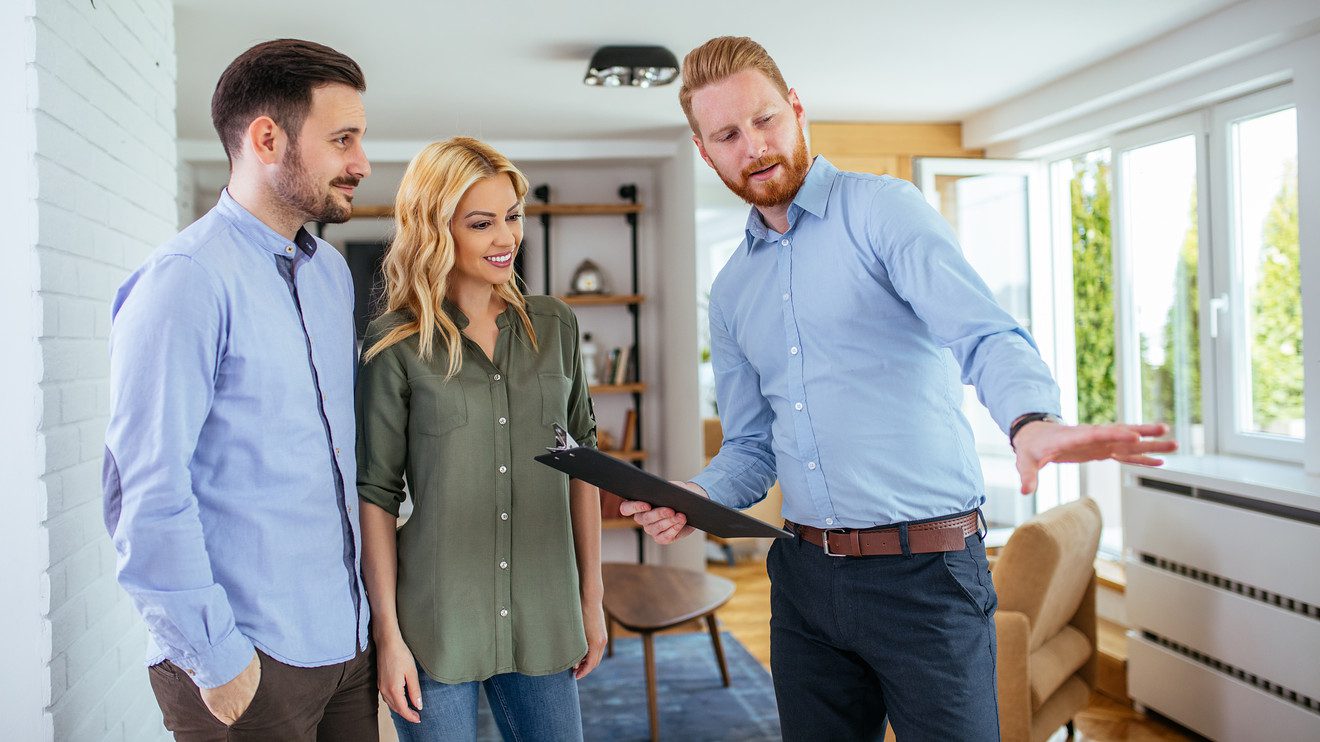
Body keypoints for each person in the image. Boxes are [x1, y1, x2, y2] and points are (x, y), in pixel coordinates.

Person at [620, 36, 1177, 741]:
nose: (753, 145)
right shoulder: (731, 291)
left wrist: (1032, 419)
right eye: (728, 134)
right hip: (804, 582)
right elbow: (752, 446)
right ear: (706, 152)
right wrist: (698, 495)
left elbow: (983, 333)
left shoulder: (885, 212)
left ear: (795, 110)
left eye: (764, 119)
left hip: (928, 579)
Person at [103, 39, 376, 741]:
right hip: (247, 655)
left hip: (345, 645)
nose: (361, 164)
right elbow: (145, 490)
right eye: (342, 139)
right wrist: (217, 658)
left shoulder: (330, 276)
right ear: (266, 138)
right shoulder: (186, 280)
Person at [356, 136, 606, 742]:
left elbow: (583, 466)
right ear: (435, 229)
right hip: (436, 622)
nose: (506, 238)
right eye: (482, 222)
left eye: (513, 217)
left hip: (545, 615)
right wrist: (387, 635)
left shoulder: (555, 325)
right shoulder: (394, 345)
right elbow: (377, 495)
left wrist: (591, 598)